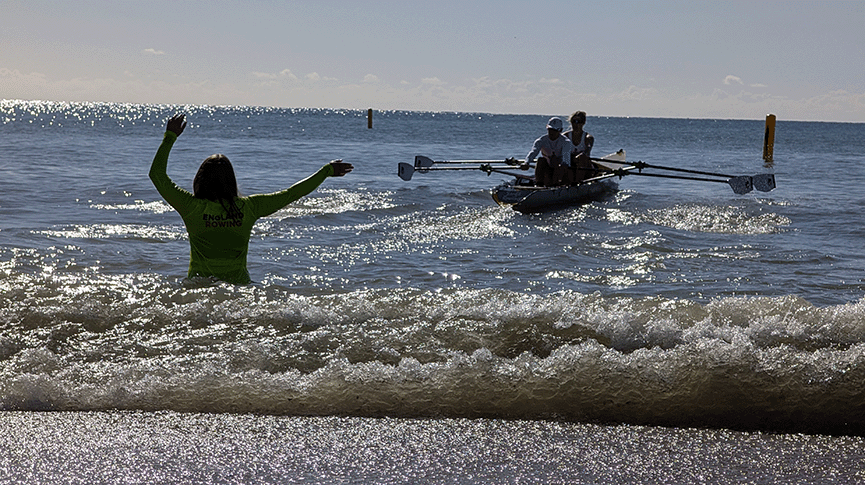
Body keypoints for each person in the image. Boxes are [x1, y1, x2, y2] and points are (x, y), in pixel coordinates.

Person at [149, 114, 353, 284]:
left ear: (199, 180)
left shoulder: (190, 207)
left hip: (198, 290)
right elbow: (292, 193)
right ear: (231, 181)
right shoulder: (249, 207)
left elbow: (156, 175)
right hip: (239, 292)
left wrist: (170, 137)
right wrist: (326, 171)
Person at [526, 117, 576, 187]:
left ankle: (555, 185)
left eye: (555, 130)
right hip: (547, 166)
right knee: (541, 160)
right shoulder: (541, 140)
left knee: (559, 164)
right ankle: (539, 184)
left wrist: (560, 165)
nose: (552, 132)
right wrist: (527, 162)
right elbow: (533, 152)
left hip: (560, 169)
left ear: (560, 130)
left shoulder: (566, 142)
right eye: (550, 129)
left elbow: (566, 161)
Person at [562, 110, 595, 184]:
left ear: (583, 123)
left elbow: (587, 153)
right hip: (569, 166)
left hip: (584, 167)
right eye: (574, 121)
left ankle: (577, 184)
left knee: (582, 158)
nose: (576, 124)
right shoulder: (564, 136)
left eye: (578, 121)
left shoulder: (588, 138)